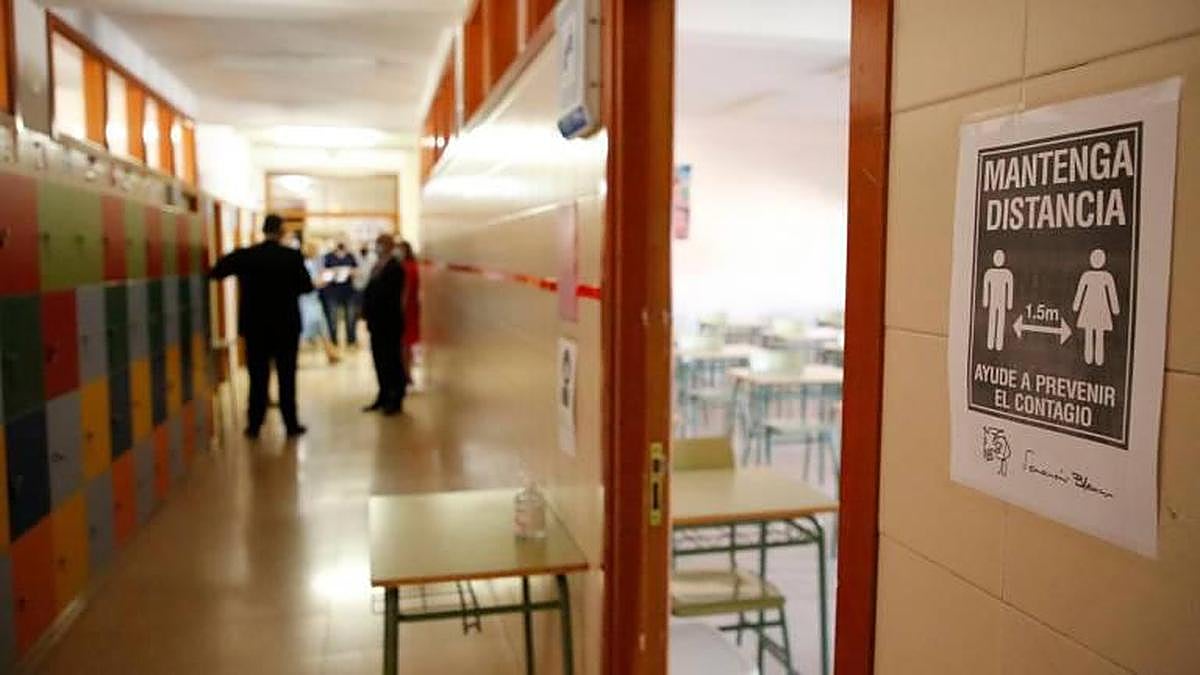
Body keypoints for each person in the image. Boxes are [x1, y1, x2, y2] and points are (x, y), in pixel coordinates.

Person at [209, 214, 313, 439]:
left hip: (255, 327)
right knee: (287, 376)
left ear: (263, 230)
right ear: (281, 231)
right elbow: (307, 287)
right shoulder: (291, 257)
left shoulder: (246, 255)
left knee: (257, 376)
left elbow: (216, 272)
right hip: (286, 326)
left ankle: (254, 424)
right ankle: (290, 424)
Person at [361, 234, 408, 415]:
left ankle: (395, 397)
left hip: (389, 322)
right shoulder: (376, 266)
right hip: (376, 322)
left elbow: (389, 296)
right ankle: (383, 394)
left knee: (391, 360)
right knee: (379, 360)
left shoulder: (395, 268)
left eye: (381, 244)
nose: (378, 247)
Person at [300, 242, 341, 365]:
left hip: (313, 300)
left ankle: (331, 353)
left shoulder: (312, 264)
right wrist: (325, 279)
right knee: (309, 328)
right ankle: (331, 353)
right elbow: (312, 283)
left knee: (323, 328)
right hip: (307, 301)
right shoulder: (307, 265)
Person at [321, 242, 359, 347]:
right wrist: (333, 272)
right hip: (332, 291)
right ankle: (333, 340)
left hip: (348, 291)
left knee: (351, 317)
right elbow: (323, 273)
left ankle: (351, 340)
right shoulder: (328, 257)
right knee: (332, 317)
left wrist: (350, 272)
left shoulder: (350, 256)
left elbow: (357, 271)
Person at [398, 240, 421, 388]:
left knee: (404, 343)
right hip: (413, 308)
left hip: (405, 310)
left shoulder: (403, 268)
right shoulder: (414, 266)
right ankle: (407, 373)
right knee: (407, 344)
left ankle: (406, 373)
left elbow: (405, 291)